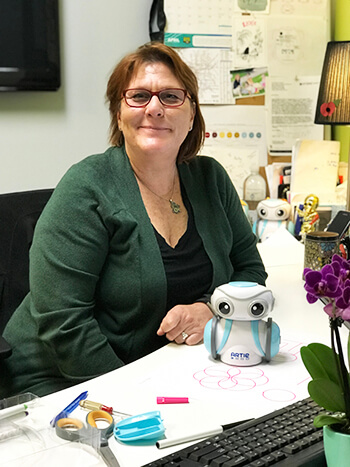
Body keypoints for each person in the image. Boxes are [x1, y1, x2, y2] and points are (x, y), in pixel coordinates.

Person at [0, 42, 267, 398]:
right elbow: (65, 324)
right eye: (138, 96)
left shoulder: (211, 179)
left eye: (171, 97)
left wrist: (210, 310)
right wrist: (137, 398)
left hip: (161, 371)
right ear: (118, 114)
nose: (154, 108)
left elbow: (249, 271)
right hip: (61, 383)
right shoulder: (87, 187)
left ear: (191, 115)